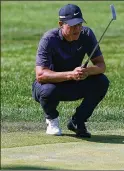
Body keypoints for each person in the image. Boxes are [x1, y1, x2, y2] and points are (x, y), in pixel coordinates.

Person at [32, 4, 110, 138]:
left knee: (102, 81)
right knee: (48, 91)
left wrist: (86, 71)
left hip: (74, 84)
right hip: (50, 85)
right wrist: (70, 74)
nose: (77, 28)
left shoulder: (86, 34)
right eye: (72, 25)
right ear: (61, 24)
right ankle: (52, 120)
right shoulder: (49, 39)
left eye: (79, 24)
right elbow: (41, 75)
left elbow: (101, 66)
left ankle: (77, 121)